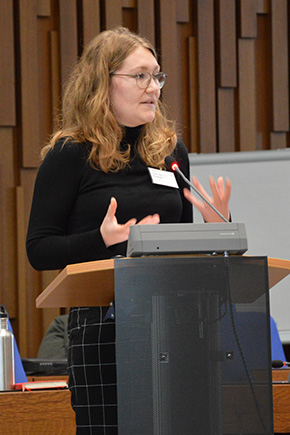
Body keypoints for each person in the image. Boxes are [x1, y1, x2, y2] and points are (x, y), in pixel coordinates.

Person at [26, 27, 230, 434]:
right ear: (103, 82)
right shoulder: (71, 154)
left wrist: (216, 230)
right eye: (140, 76)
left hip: (175, 325)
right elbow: (39, 249)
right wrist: (101, 241)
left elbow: (177, 250)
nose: (152, 87)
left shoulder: (172, 154)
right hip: (104, 330)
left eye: (156, 76)